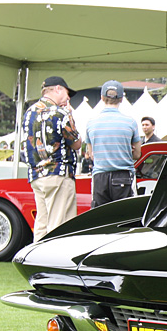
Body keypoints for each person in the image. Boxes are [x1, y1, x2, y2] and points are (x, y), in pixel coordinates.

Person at [22, 76, 80, 241]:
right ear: (58, 89)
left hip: (36, 175)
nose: (68, 98)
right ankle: (54, 263)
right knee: (60, 225)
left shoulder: (29, 112)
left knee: (42, 224)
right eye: (67, 93)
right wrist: (70, 115)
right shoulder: (61, 113)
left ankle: (36, 261)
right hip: (58, 173)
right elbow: (76, 144)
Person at [86, 80, 141, 208]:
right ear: (121, 99)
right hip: (124, 175)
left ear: (101, 97)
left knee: (100, 219)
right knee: (126, 217)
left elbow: (92, 155)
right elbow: (137, 154)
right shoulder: (130, 122)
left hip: (100, 177)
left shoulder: (91, 123)